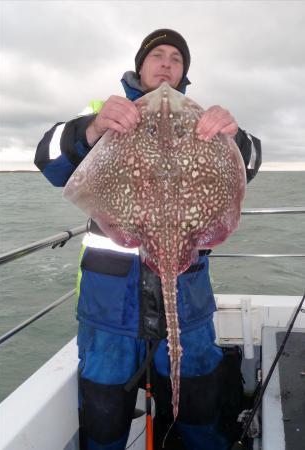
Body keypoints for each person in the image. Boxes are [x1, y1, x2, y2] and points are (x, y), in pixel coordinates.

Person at [35, 29, 261, 450]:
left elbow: (249, 163)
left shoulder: (203, 119)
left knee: (200, 405)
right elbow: (47, 158)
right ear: (140, 65)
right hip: (111, 303)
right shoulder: (105, 111)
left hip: (186, 293)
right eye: (157, 54)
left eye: (176, 58)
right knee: (104, 412)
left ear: (183, 73)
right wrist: (90, 129)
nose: (166, 63)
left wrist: (235, 134)